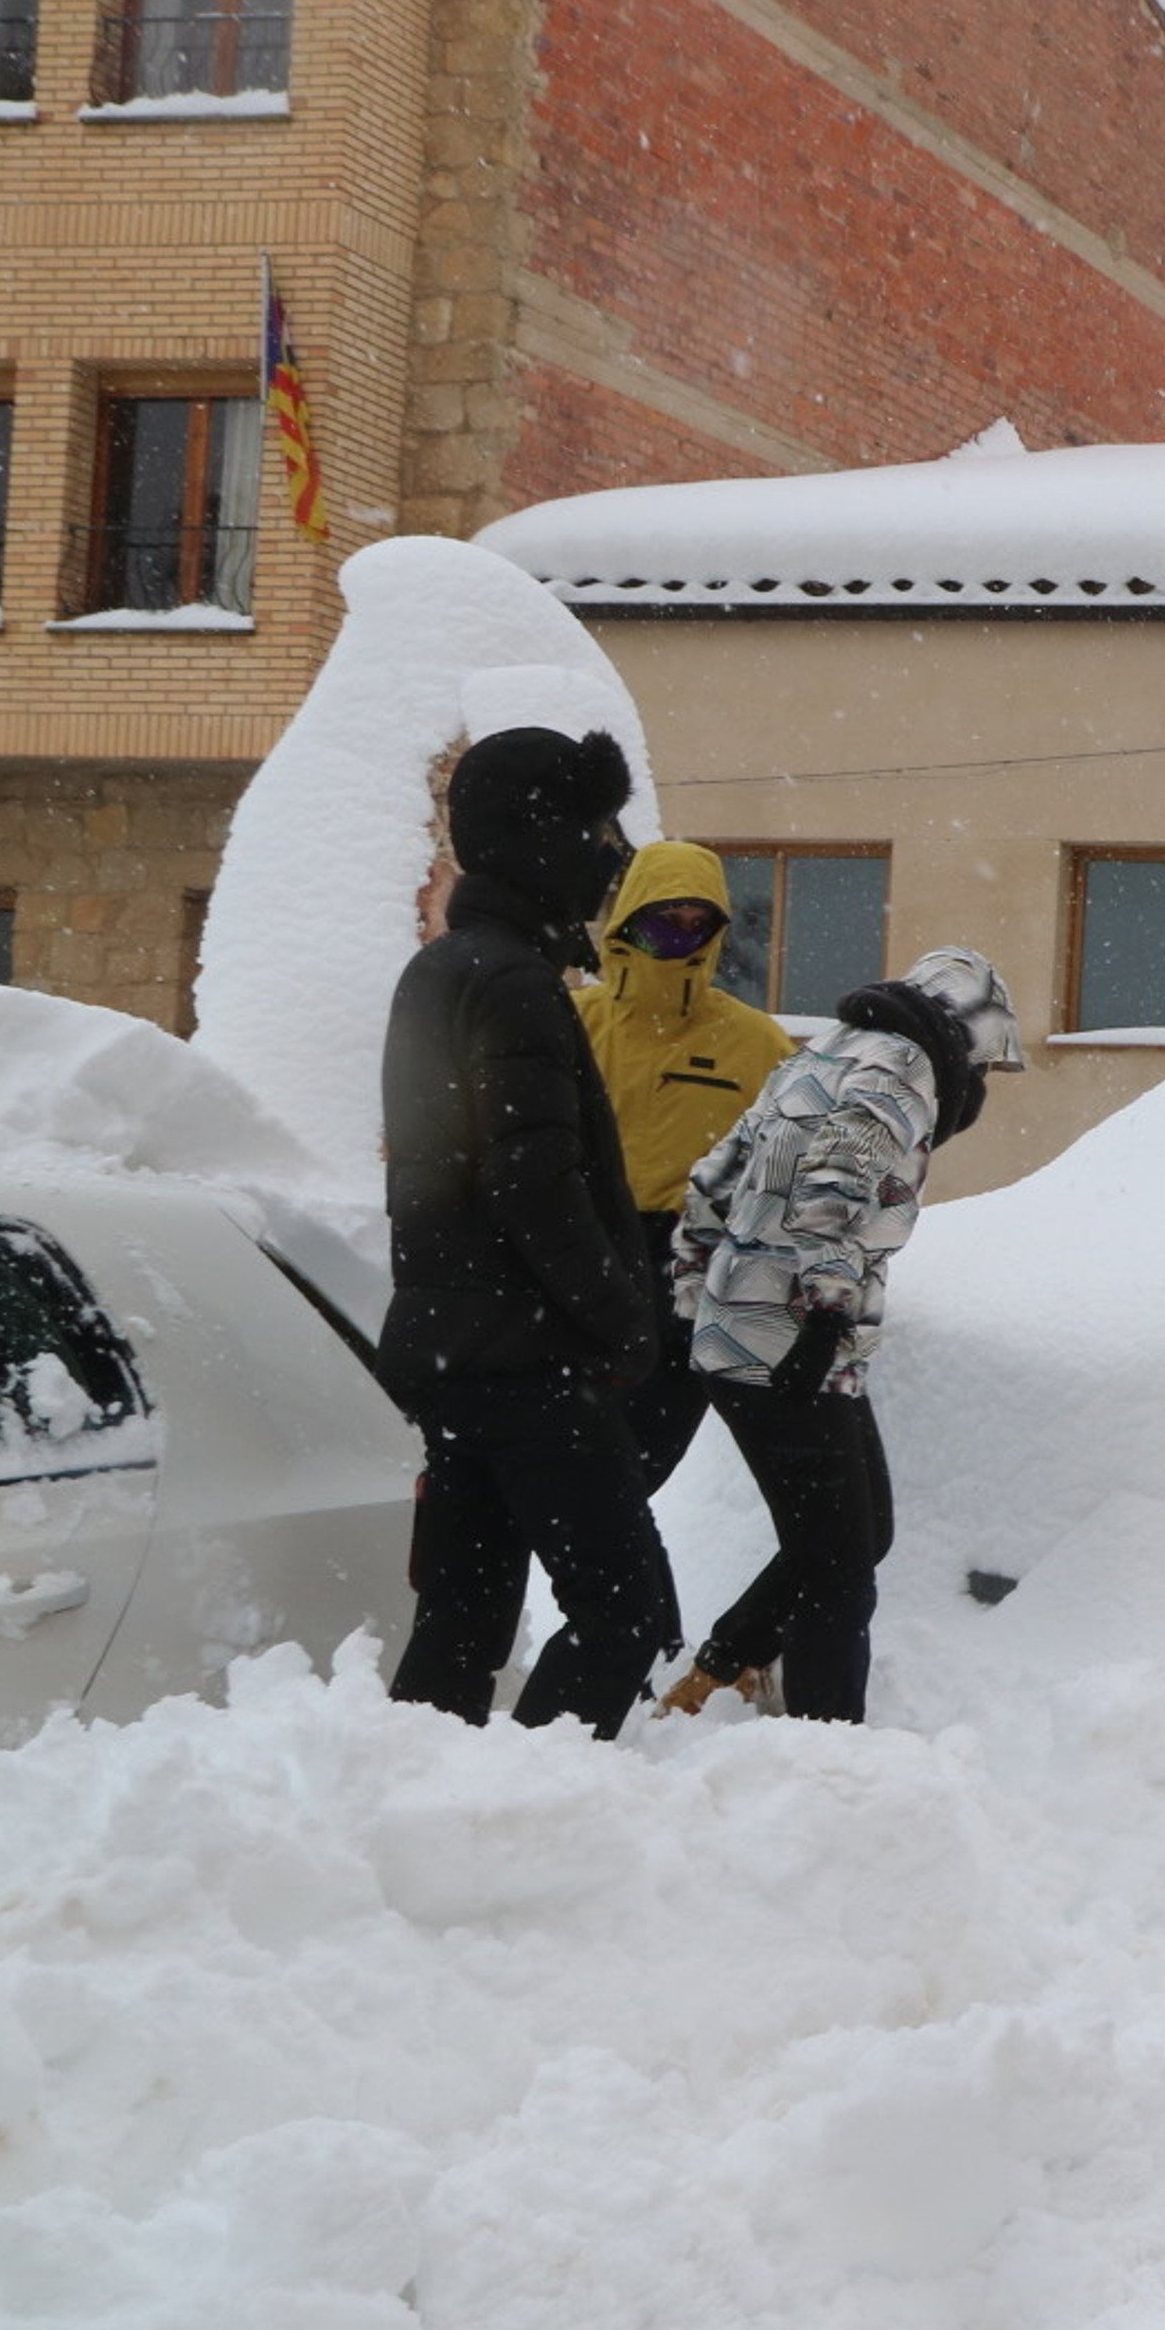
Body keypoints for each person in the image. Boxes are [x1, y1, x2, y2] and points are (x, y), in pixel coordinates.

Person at [380, 724, 685, 1736]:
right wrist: (620, 1316)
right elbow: (531, 1184)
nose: (611, 854)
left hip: (457, 1349)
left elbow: (446, 1181)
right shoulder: (509, 982)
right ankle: (526, 1805)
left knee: (464, 1615)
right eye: (596, 828)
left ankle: (421, 1804)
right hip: (526, 1357)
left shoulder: (444, 969)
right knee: (625, 1608)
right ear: (543, 837)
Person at [655, 946, 1021, 1725]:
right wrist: (822, 1314)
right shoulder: (904, 1067)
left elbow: (716, 1174)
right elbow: (837, 1185)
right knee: (838, 1573)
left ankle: (725, 1668)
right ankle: (827, 1752)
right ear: (966, 1036)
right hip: (790, 1342)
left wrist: (695, 1297)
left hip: (750, 1336)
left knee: (861, 1534)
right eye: (983, 1070)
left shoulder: (824, 1051)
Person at [573, 841, 796, 1492]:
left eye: (700, 920)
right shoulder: (575, 1021)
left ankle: (618, 1587)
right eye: (666, 914)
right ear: (629, 915)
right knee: (561, 1472)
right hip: (581, 1259)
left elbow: (790, 1159)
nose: (682, 932)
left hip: (687, 1268)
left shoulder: (755, 1042)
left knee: (637, 1471)